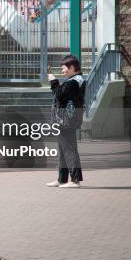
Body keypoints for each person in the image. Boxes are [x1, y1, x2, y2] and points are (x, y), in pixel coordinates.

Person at [46, 55, 86, 188]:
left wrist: (53, 81)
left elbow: (59, 95)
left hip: (67, 120)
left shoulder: (74, 82)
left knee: (69, 149)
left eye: (63, 68)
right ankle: (62, 179)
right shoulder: (75, 80)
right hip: (66, 120)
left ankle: (75, 180)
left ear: (72, 68)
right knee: (63, 150)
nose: (62, 70)